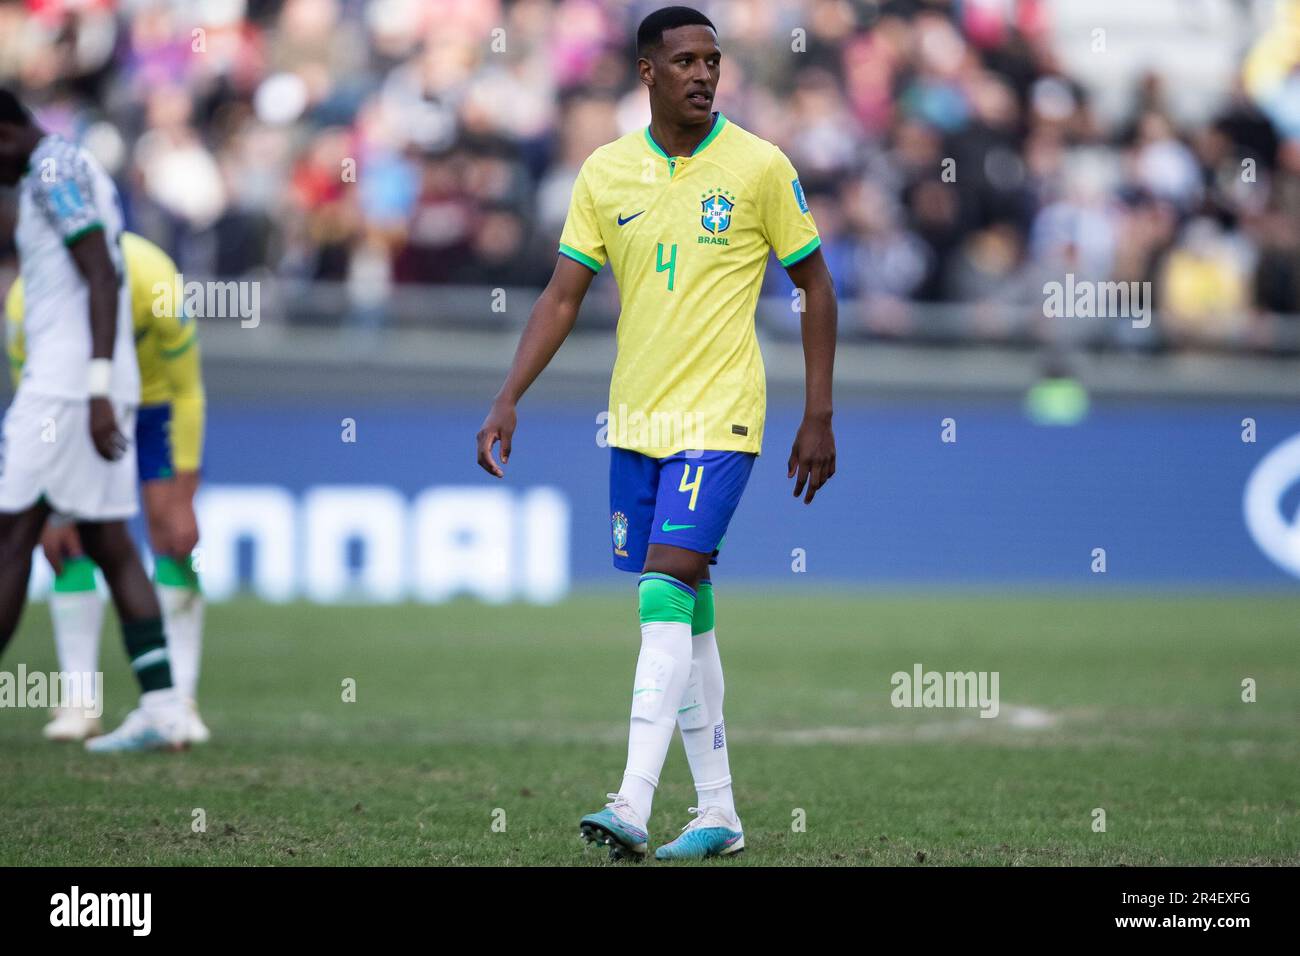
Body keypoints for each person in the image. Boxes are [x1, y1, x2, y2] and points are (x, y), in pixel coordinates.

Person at [475, 7, 837, 860]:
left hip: (721, 415)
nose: (704, 75)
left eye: (713, 60)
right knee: (690, 611)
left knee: (663, 590)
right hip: (636, 419)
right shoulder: (605, 173)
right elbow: (562, 296)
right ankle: (719, 813)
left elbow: (817, 287)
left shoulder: (758, 167)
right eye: (685, 62)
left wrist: (817, 411)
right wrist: (508, 395)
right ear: (647, 72)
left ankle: (631, 801)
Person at [0, 89, 187, 752]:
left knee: (10, 535)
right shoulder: (66, 167)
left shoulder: (52, 172)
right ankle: (165, 708)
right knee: (108, 541)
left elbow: (102, 275)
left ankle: (162, 707)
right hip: (88, 383)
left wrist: (99, 385)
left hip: (68, 385)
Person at [6, 231, 208, 744]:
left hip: (153, 406)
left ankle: (180, 700)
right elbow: (28, 388)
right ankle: (80, 701)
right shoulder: (26, 297)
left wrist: (184, 494)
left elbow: (188, 390)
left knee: (172, 536)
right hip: (78, 409)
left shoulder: (153, 277)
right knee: (65, 542)